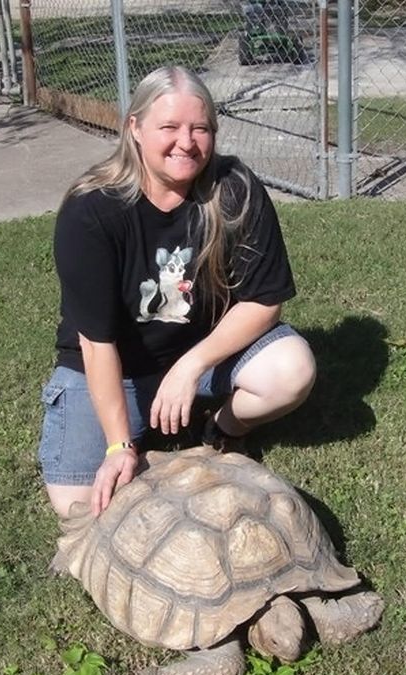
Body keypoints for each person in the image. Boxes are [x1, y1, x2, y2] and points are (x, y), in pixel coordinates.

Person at [38, 65, 316, 518]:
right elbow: (96, 341)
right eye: (169, 127)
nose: (186, 142)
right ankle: (136, 430)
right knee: (79, 507)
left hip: (205, 356)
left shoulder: (235, 191)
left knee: (290, 370)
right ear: (135, 129)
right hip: (116, 367)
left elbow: (264, 300)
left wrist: (191, 366)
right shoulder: (92, 209)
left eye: (200, 128)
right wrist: (116, 444)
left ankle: (219, 428)